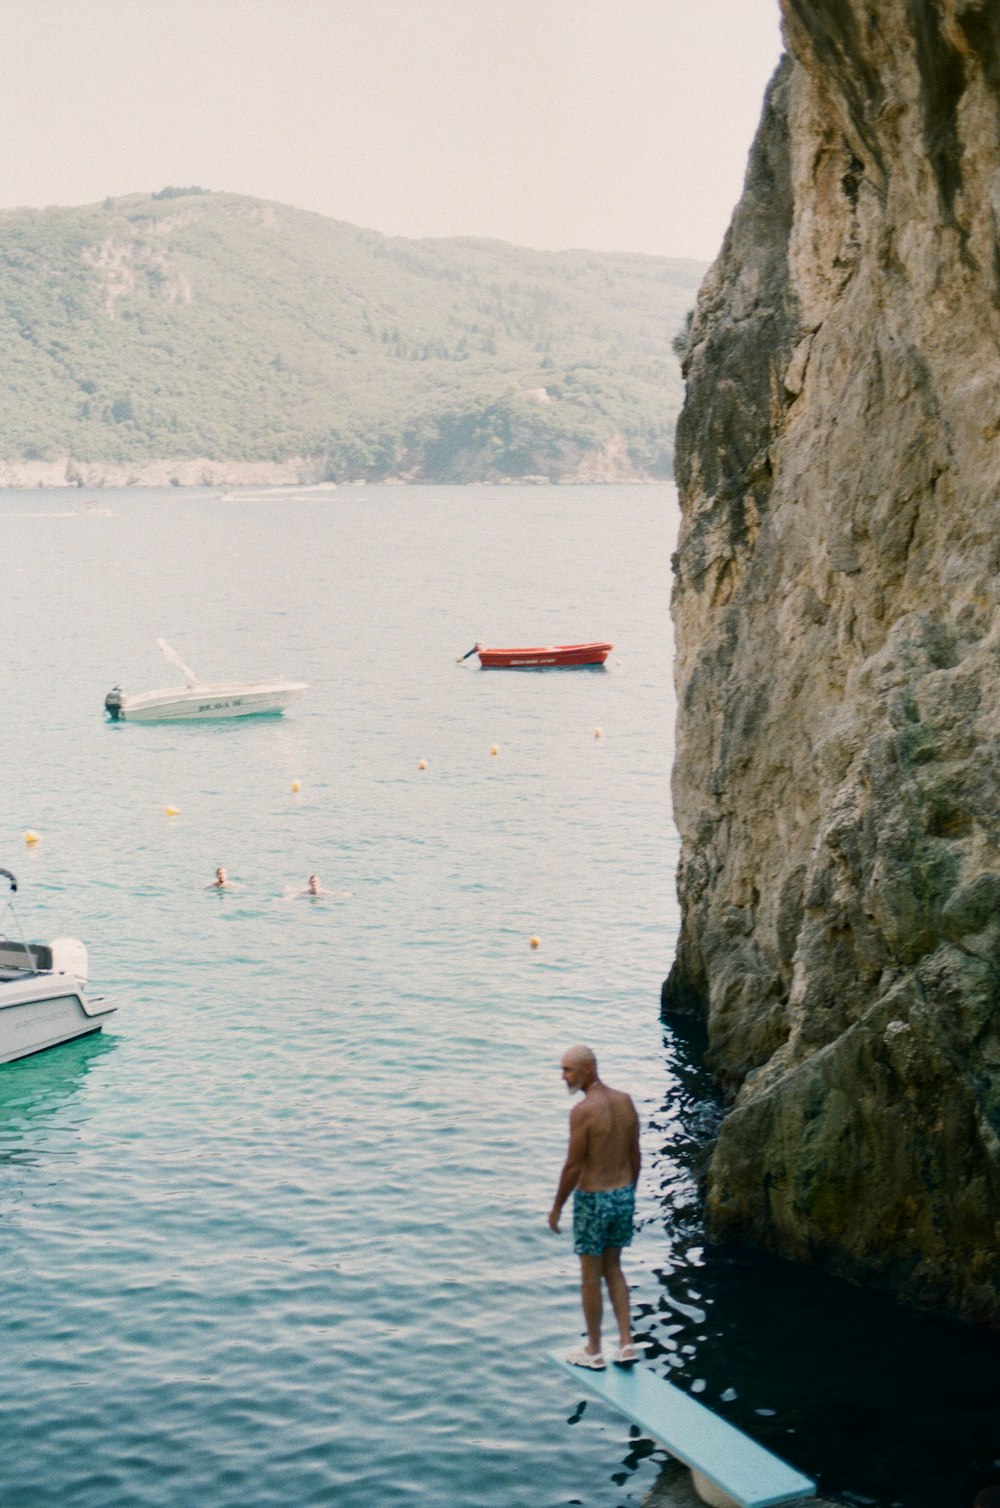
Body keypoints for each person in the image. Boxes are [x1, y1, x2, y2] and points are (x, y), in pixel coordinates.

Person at [548, 1043, 641, 1369]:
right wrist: (630, 1195)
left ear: (588, 1069)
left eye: (568, 1069)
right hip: (623, 1196)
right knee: (613, 1267)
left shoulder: (583, 1111)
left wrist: (558, 1206)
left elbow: (573, 1165)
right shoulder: (625, 1102)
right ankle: (626, 1344)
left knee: (590, 1276)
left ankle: (594, 1350)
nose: (563, 1076)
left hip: (593, 1200)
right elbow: (635, 1156)